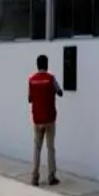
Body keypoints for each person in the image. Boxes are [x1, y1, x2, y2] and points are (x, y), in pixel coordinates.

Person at [28, 53, 64, 186]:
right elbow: (60, 92)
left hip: (37, 119)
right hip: (49, 118)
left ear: (37, 65)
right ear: (47, 65)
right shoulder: (51, 78)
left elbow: (29, 99)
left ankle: (34, 177)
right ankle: (51, 177)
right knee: (50, 148)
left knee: (37, 148)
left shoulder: (31, 79)